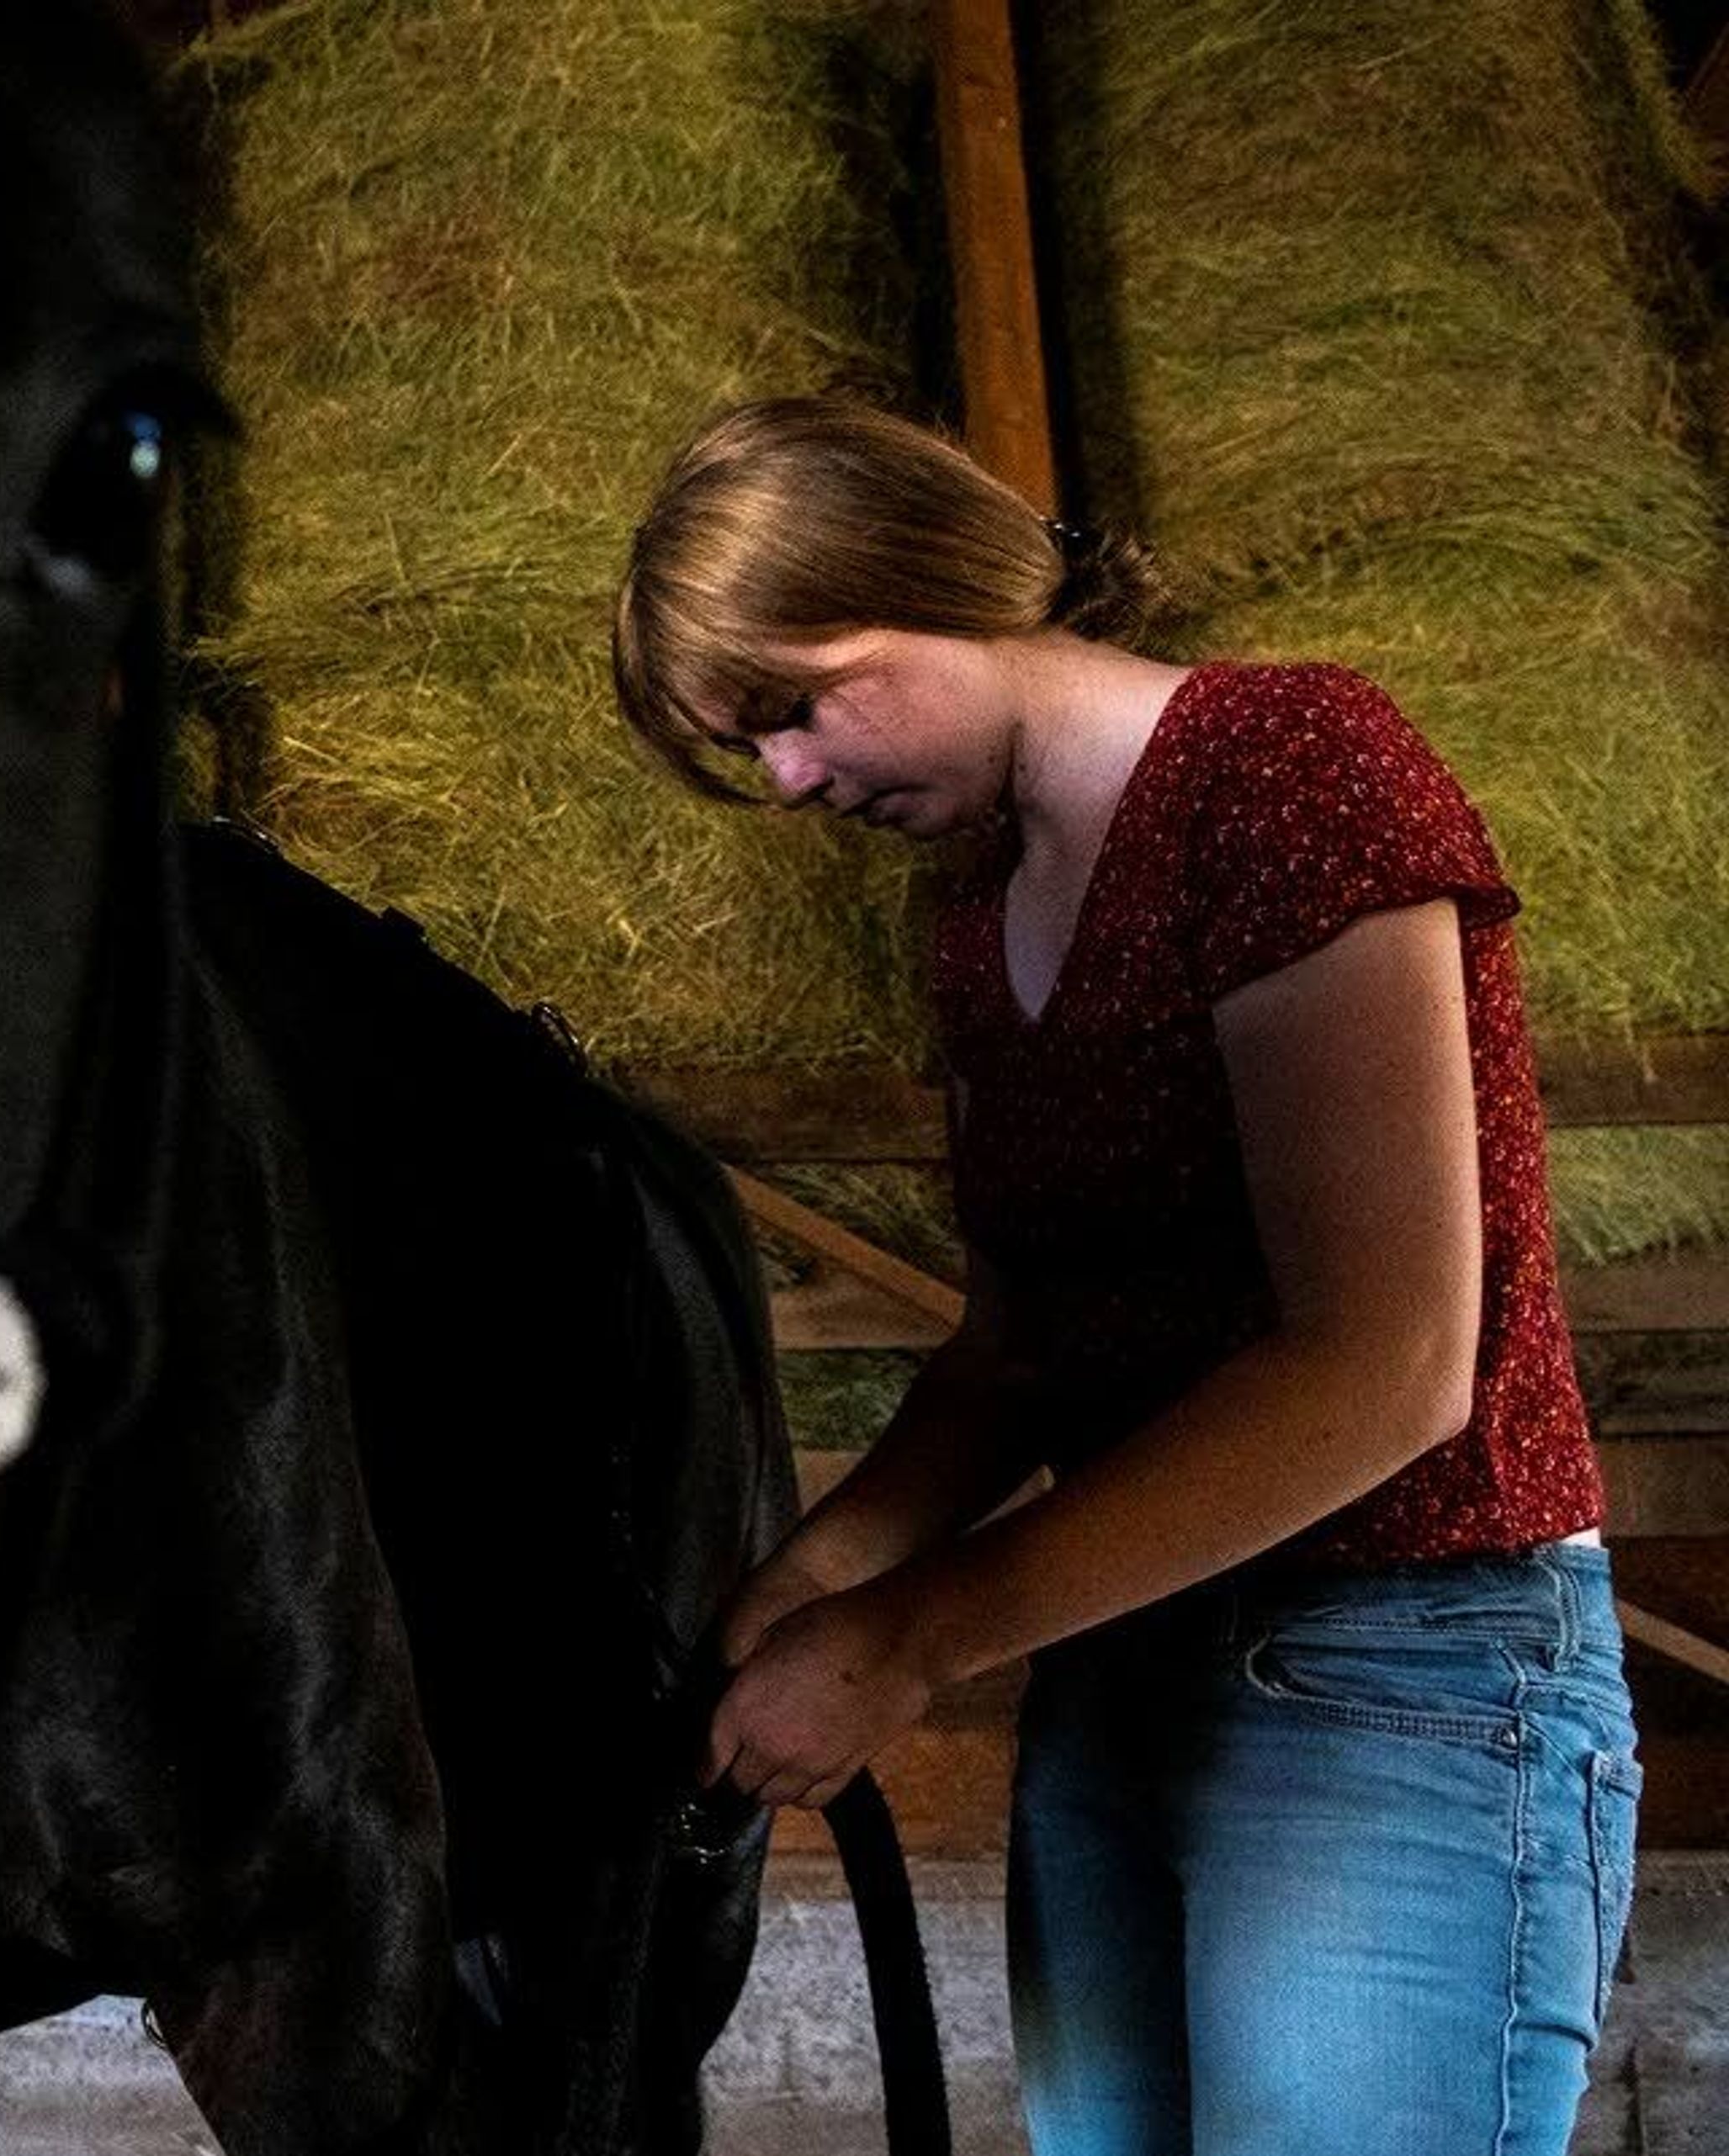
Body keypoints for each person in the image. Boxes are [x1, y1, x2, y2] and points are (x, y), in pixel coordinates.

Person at [611, 395, 1641, 2156]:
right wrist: (828, 1570)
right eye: (746, 746)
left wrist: (914, 1637)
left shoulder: (1288, 766)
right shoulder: (975, 909)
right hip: (1121, 1667)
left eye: (793, 703)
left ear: (925, 575)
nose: (788, 777)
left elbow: (1386, 1360)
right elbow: (1023, 1342)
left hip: (1405, 1652)